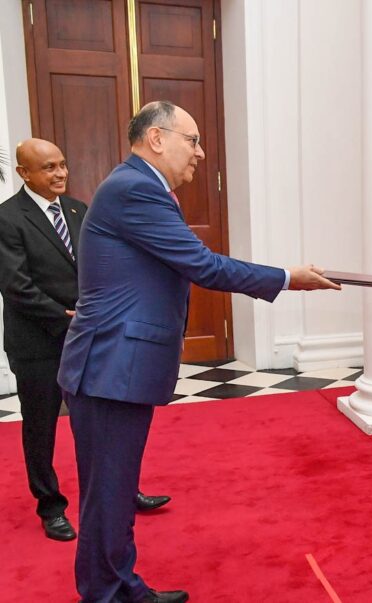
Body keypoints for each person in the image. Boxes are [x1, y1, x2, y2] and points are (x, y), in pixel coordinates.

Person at [56, 100, 340, 603]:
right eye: (193, 140)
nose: (200, 153)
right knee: (108, 494)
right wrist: (285, 278)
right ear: (157, 138)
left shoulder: (137, 186)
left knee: (114, 491)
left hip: (113, 363)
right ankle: (106, 593)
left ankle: (118, 586)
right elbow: (202, 265)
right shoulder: (135, 189)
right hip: (109, 366)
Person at [0, 139, 171, 544]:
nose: (60, 173)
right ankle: (51, 507)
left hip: (88, 336)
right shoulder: (7, 218)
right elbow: (15, 286)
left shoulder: (79, 210)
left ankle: (120, 493)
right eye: (49, 168)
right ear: (24, 173)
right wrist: (66, 317)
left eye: (62, 164)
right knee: (40, 428)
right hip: (38, 343)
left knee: (100, 423)